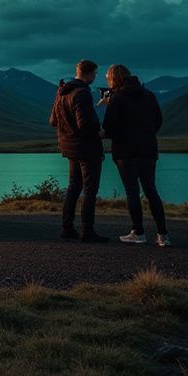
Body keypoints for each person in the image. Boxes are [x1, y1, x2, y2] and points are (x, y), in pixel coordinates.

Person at [100, 64, 169, 247]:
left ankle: (138, 232)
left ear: (114, 79)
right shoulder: (149, 95)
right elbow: (158, 121)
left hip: (126, 151)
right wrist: (146, 134)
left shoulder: (117, 98)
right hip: (148, 149)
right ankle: (163, 234)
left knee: (132, 191)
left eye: (108, 78)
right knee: (151, 190)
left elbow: (109, 127)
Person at [50, 59, 107, 242]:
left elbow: (53, 121)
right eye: (95, 74)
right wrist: (99, 131)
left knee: (74, 188)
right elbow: (85, 124)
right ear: (89, 73)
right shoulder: (82, 93)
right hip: (87, 148)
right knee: (90, 190)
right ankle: (87, 231)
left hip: (70, 147)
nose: (95, 77)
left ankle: (67, 228)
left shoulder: (62, 92)